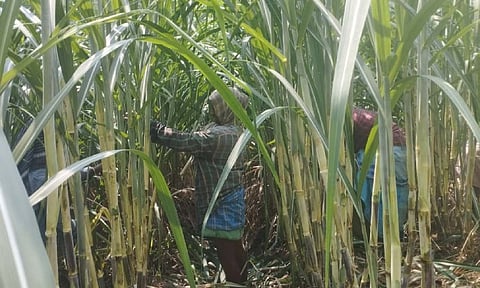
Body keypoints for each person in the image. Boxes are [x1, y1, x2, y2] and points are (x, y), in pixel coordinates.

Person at [150, 87, 249, 286]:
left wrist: (157, 129)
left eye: (214, 107)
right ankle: (245, 282)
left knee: (226, 253)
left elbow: (185, 140)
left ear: (225, 108)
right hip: (231, 197)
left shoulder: (220, 136)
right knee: (235, 247)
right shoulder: (237, 131)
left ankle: (236, 283)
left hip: (222, 201)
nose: (211, 111)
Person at [353, 107, 408, 239]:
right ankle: (393, 235)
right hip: (399, 150)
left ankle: (380, 238)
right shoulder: (352, 114)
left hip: (385, 150)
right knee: (393, 192)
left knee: (376, 192)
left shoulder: (346, 119)